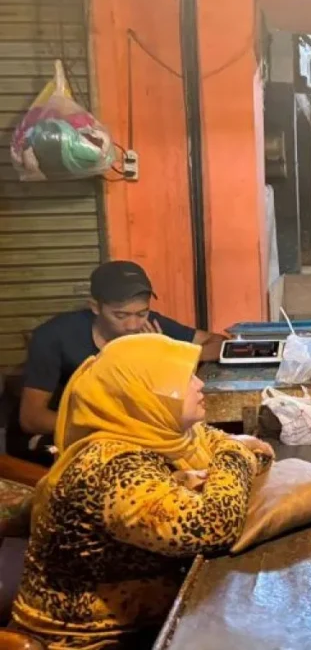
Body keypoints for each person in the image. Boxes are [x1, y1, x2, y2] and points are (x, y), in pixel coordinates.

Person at [12, 333, 273, 648]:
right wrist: (235, 455)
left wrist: (228, 457)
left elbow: (246, 449)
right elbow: (214, 524)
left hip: (154, 619)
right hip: (93, 640)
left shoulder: (161, 433)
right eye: (184, 379)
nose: (200, 384)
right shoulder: (112, 467)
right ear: (140, 395)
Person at [16, 261, 226, 466]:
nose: (133, 325)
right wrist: (114, 429)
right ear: (95, 307)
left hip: (132, 438)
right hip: (61, 440)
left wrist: (164, 353)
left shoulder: (149, 326)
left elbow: (219, 343)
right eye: (120, 315)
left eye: (141, 313)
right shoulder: (55, 337)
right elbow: (31, 418)